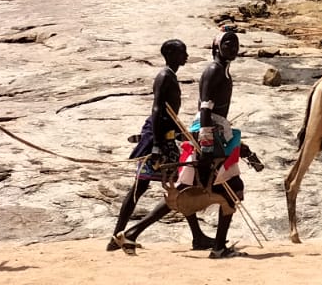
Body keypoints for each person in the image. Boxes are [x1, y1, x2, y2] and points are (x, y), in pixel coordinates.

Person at [108, 39, 213, 252]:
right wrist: (156, 145)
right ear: (172, 53)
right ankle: (120, 235)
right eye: (183, 51)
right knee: (153, 187)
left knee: (173, 186)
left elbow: (168, 115)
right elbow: (157, 111)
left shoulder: (170, 76)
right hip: (158, 139)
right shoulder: (165, 77)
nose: (186, 55)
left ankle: (118, 237)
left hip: (166, 136)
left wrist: (184, 135)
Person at [188, 24, 262, 258]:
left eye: (236, 43)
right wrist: (207, 141)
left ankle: (131, 232)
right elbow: (204, 107)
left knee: (192, 187)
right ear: (217, 46)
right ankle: (219, 248)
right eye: (228, 43)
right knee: (234, 188)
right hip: (209, 130)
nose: (233, 47)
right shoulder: (214, 70)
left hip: (218, 129)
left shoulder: (223, 70)